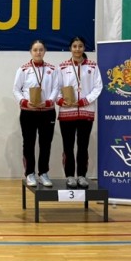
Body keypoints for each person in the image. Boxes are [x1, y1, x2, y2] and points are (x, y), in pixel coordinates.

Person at [57, 36, 103, 188]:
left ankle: (82, 175)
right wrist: (60, 101)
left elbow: (98, 87)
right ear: (70, 48)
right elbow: (56, 88)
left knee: (83, 146)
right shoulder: (62, 67)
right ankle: (70, 176)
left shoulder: (93, 66)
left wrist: (85, 100)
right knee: (68, 146)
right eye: (75, 46)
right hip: (66, 113)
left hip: (86, 112)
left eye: (80, 46)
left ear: (84, 48)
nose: (77, 49)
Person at [13, 40, 59, 187]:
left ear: (45, 51)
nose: (38, 52)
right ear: (30, 52)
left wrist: (49, 101)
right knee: (29, 143)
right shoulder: (23, 69)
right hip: (28, 113)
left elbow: (56, 88)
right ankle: (30, 173)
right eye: (35, 50)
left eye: (41, 49)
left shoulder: (52, 69)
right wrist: (24, 102)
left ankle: (43, 173)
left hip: (47, 112)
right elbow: (16, 89)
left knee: (45, 144)